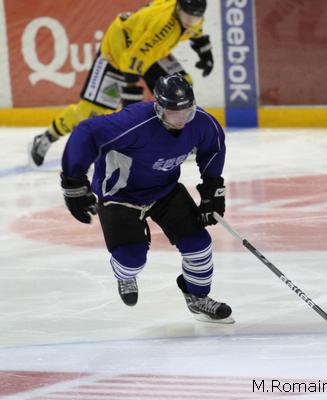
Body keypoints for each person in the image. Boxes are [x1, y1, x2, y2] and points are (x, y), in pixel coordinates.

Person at [60, 74, 232, 323]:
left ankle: (197, 297)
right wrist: (73, 182)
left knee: (199, 246)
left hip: (165, 191)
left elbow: (213, 147)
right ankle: (125, 274)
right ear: (160, 108)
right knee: (131, 260)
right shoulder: (133, 122)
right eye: (174, 112)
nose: (182, 118)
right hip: (120, 196)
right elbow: (87, 132)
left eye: (187, 110)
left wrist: (212, 188)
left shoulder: (201, 123)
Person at [30, 0, 214, 167]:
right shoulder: (163, 26)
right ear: (178, 10)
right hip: (117, 55)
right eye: (187, 16)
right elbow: (132, 58)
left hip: (148, 53)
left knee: (181, 86)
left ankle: (178, 139)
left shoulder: (188, 15)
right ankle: (46, 137)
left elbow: (194, 29)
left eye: (195, 17)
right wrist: (130, 91)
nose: (191, 21)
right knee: (90, 112)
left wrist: (204, 50)